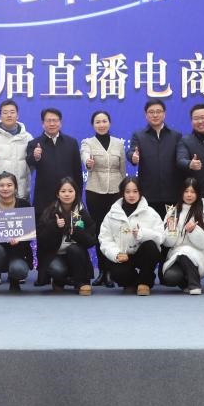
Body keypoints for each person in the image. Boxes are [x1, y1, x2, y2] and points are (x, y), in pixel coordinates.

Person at [80, 110, 126, 286]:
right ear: (93, 125)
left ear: (109, 123)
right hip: (95, 191)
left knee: (115, 231)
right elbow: (85, 156)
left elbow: (122, 169)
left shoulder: (118, 143)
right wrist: (88, 162)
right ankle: (102, 271)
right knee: (100, 231)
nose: (101, 124)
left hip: (116, 192)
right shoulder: (87, 142)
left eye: (104, 121)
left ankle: (114, 270)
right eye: (97, 122)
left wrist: (124, 191)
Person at [99, 177, 165, 295]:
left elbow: (160, 237)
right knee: (117, 273)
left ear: (140, 192)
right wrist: (116, 254)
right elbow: (105, 239)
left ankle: (144, 282)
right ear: (122, 193)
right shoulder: (112, 214)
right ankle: (132, 283)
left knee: (150, 246)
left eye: (135, 191)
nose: (131, 195)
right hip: (123, 255)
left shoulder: (150, 213)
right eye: (127, 191)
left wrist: (142, 234)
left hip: (142, 254)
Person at [37, 177, 99, 295]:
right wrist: (54, 226)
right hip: (56, 255)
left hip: (76, 254)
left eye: (70, 191)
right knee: (57, 269)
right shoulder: (50, 211)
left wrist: (76, 232)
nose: (67, 194)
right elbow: (41, 240)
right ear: (57, 194)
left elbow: (91, 241)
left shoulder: (81, 212)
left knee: (73, 249)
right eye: (63, 191)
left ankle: (81, 282)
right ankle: (60, 281)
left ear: (76, 193)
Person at [128, 99, 184, 217]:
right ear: (146, 115)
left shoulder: (176, 136)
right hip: (148, 194)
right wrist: (133, 157)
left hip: (172, 194)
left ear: (164, 114)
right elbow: (131, 151)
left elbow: (181, 158)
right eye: (151, 112)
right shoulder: (139, 135)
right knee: (148, 226)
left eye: (158, 111)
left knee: (171, 226)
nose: (155, 115)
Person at [161, 178, 204, 295]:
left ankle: (194, 284)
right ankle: (185, 283)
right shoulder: (172, 212)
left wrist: (193, 231)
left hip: (201, 255)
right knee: (170, 276)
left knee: (185, 253)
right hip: (176, 254)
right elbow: (168, 243)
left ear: (198, 194)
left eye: (193, 192)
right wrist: (172, 230)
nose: (189, 195)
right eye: (186, 191)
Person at [27, 107, 83, 215]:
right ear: (43, 123)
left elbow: (77, 172)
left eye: (55, 120)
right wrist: (36, 156)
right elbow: (29, 162)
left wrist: (78, 196)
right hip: (44, 198)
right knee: (44, 224)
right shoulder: (34, 143)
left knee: (72, 224)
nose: (52, 124)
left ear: (60, 123)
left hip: (68, 197)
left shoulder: (71, 142)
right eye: (48, 120)